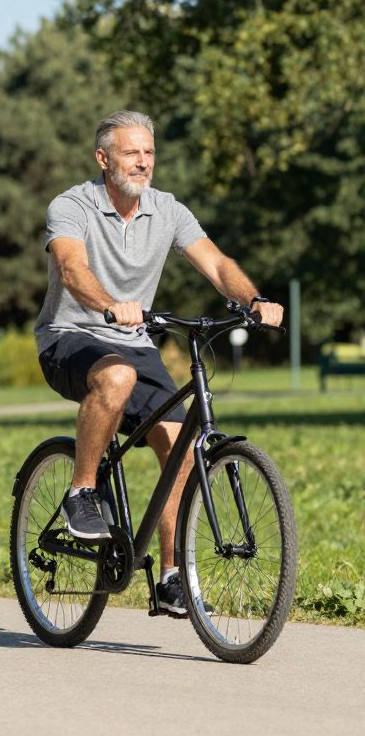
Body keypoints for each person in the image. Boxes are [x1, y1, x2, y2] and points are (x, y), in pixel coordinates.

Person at [36, 110, 282, 616]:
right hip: (69, 336)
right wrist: (108, 304)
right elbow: (70, 267)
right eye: (131, 153)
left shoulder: (167, 209)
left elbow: (215, 263)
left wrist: (253, 300)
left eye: (149, 153)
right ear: (104, 159)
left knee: (180, 444)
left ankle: (171, 576)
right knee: (118, 376)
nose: (143, 162)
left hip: (135, 338)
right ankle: (81, 491)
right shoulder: (71, 206)